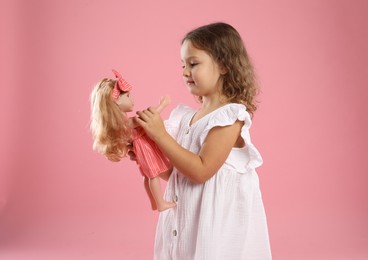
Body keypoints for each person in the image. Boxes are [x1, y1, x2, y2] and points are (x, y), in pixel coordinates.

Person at [135, 22, 272, 259]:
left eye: (193, 64)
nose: (185, 72)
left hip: (215, 224)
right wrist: (146, 151)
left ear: (223, 65)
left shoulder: (229, 116)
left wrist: (160, 135)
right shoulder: (188, 117)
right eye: (183, 65)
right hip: (189, 218)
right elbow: (179, 171)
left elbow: (201, 170)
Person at [90, 69, 175, 212]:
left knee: (148, 176)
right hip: (144, 149)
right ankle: (160, 203)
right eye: (128, 96)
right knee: (153, 175)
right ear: (116, 101)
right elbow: (149, 116)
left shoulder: (119, 123)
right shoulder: (127, 122)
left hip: (140, 149)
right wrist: (163, 104)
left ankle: (154, 202)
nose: (132, 100)